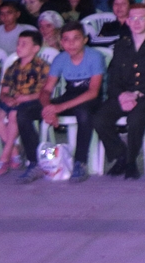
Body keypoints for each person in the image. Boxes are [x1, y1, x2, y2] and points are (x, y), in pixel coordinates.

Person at [93, 0, 145, 179]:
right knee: (99, 118)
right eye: (133, 18)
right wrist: (122, 95)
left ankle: (130, 162)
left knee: (136, 118)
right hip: (123, 95)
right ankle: (120, 155)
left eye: (141, 18)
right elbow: (113, 78)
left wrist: (136, 94)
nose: (137, 22)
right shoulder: (122, 45)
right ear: (127, 21)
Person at [17, 22, 104, 182]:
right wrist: (48, 108)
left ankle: (80, 162)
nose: (71, 43)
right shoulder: (60, 58)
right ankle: (35, 162)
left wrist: (59, 107)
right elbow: (47, 90)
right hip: (69, 95)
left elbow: (93, 92)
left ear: (84, 40)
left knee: (83, 114)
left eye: (76, 39)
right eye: (66, 40)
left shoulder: (95, 56)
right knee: (23, 113)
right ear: (61, 43)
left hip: (90, 99)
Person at [0, 31, 50, 176]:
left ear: (35, 48)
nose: (19, 46)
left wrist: (25, 98)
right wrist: (6, 98)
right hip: (13, 100)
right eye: (18, 43)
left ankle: (4, 157)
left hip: (32, 102)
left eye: (24, 44)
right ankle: (14, 149)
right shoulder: (12, 67)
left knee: (14, 114)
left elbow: (44, 92)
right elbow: (4, 91)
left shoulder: (42, 66)